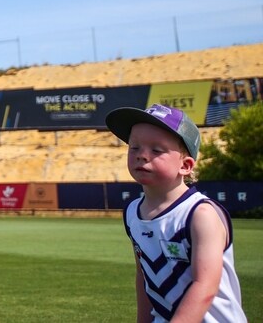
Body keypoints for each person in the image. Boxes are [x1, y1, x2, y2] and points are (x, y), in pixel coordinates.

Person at [105, 104, 246, 322]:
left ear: (186, 165)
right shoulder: (133, 212)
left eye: (156, 150)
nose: (142, 155)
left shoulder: (200, 214)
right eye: (134, 147)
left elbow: (205, 286)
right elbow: (144, 275)